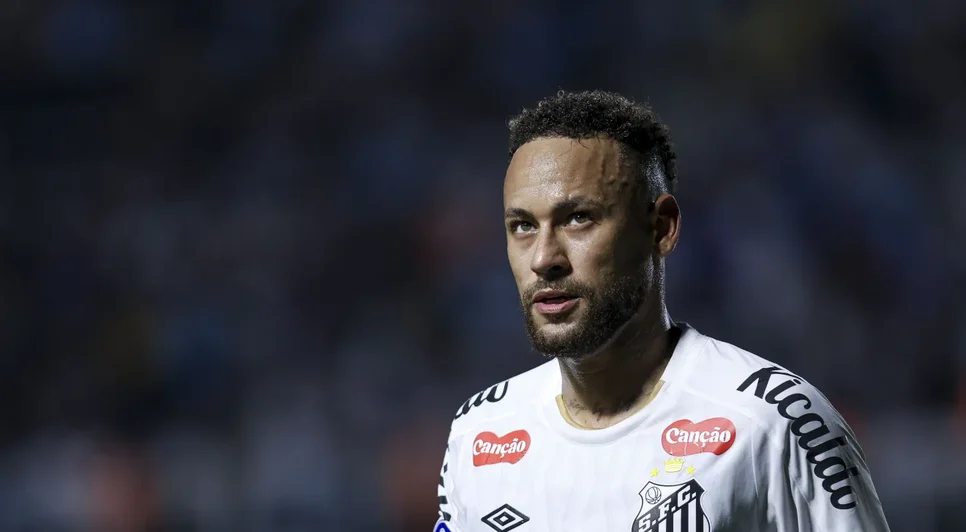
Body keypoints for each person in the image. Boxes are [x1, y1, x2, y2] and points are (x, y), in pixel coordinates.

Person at [434, 90, 891, 532]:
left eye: (578, 218)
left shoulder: (775, 423)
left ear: (662, 228)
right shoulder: (478, 433)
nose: (543, 258)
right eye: (523, 226)